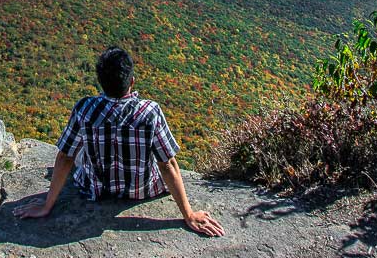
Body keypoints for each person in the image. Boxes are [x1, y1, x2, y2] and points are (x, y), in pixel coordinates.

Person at [13, 46, 225, 237]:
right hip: (142, 190)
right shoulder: (150, 112)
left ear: (101, 81)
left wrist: (47, 205)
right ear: (131, 81)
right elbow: (167, 164)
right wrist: (188, 214)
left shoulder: (84, 109)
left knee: (77, 150)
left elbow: (64, 157)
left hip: (97, 190)